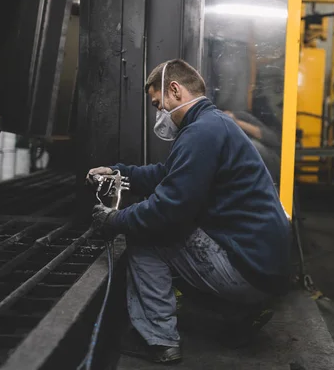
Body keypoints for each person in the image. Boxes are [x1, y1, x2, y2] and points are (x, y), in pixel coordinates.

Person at [88, 59, 291, 364]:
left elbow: (168, 210)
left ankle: (158, 339)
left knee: (147, 234)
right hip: (266, 268)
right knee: (176, 235)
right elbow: (167, 174)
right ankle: (238, 317)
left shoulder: (201, 132)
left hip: (248, 270)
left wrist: (115, 219)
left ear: (175, 90)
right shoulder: (212, 125)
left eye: (158, 104)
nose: (159, 113)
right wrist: (118, 173)